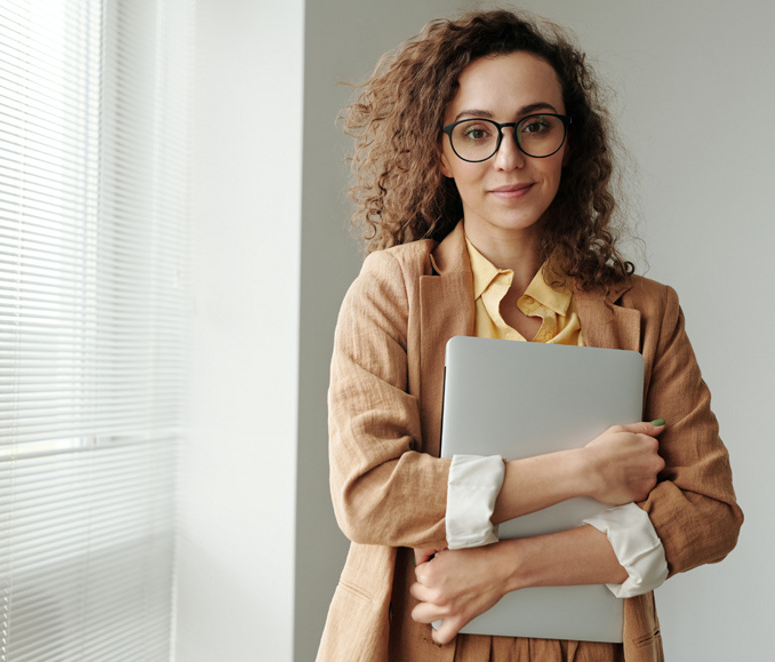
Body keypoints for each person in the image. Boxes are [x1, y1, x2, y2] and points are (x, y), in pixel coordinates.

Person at [317, 9, 742, 662]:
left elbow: (709, 514)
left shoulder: (649, 313)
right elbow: (371, 495)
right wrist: (583, 470)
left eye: (535, 126)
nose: (508, 158)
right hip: (417, 639)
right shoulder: (392, 290)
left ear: (569, 141)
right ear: (439, 150)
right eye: (477, 132)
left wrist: (503, 567)